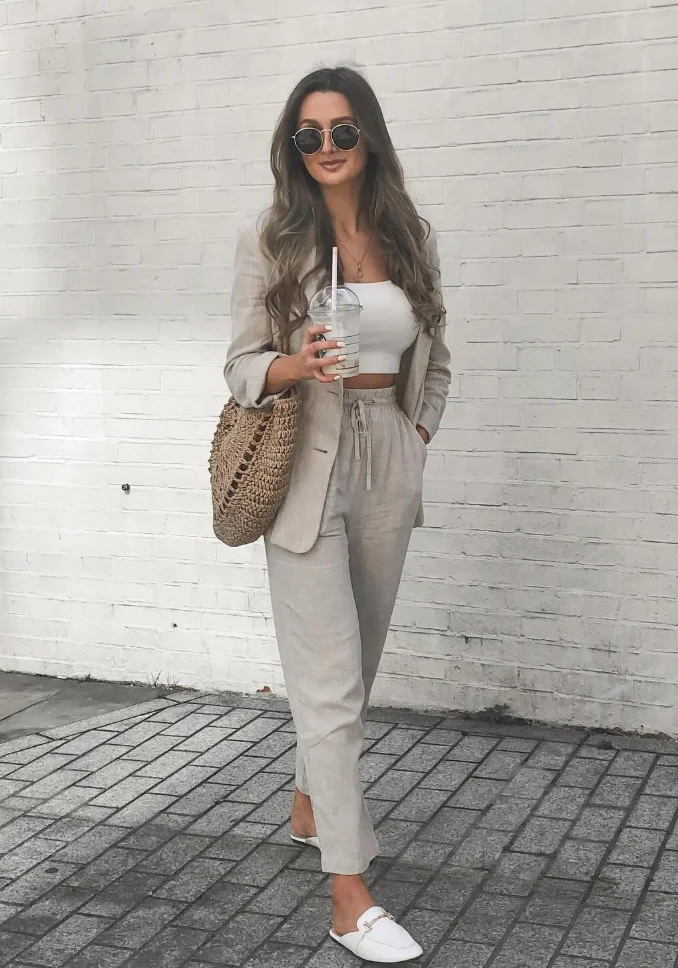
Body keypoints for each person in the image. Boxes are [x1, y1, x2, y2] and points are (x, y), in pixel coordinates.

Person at [224, 66, 450, 964]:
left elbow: (436, 359)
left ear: (370, 140)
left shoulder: (410, 236)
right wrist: (293, 364)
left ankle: (311, 804)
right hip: (308, 463)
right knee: (330, 690)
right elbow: (240, 364)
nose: (324, 148)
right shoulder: (271, 240)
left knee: (355, 666)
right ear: (292, 146)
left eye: (341, 131)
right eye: (307, 135)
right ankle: (349, 894)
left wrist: (416, 432)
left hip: (387, 459)